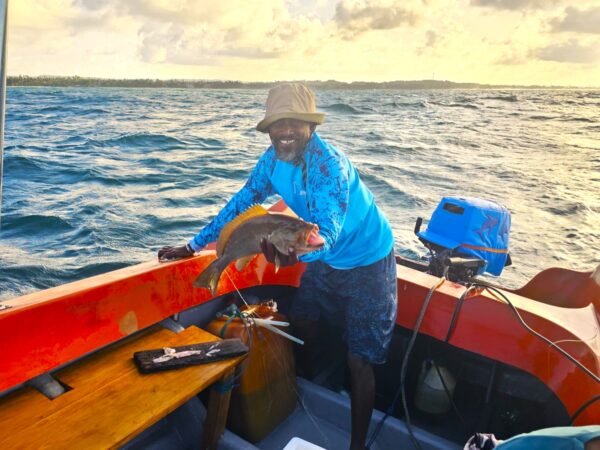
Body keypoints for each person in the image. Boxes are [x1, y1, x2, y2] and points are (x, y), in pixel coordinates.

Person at [158, 83, 397, 450]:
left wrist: (298, 255)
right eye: (276, 124)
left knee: (359, 359)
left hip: (368, 262)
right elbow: (241, 203)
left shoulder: (328, 165)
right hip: (323, 260)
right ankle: (304, 385)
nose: (284, 131)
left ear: (311, 127)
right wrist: (193, 245)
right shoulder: (271, 161)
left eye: (293, 123)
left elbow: (327, 232)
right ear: (268, 129)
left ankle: (358, 445)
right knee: (301, 320)